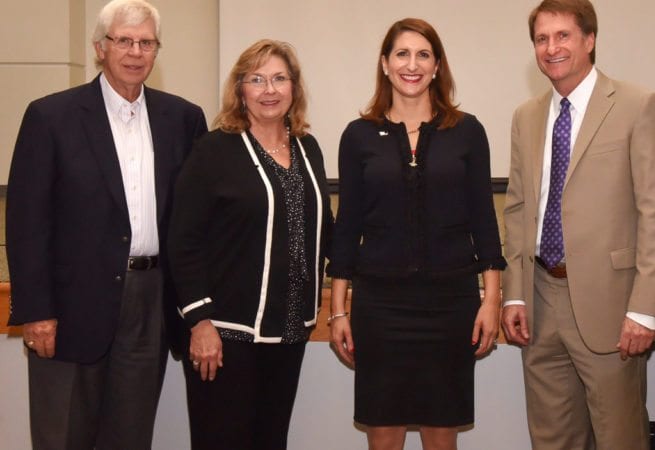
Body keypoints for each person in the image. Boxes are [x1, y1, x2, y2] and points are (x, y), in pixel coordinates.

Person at [5, 1, 207, 448]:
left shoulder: (184, 119)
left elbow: (194, 222)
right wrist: (37, 310)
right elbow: (26, 223)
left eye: (147, 42)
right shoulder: (50, 116)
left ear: (157, 51)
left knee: (129, 437)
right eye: (124, 41)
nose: (136, 52)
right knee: (64, 434)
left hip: (150, 300)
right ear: (100, 48)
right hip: (70, 306)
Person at [501, 1, 655, 448]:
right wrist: (514, 292)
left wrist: (645, 309)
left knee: (620, 437)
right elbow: (519, 208)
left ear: (589, 40)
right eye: (542, 39)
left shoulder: (639, 106)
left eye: (563, 36)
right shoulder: (527, 116)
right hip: (539, 301)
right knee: (553, 439)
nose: (551, 48)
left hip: (613, 305)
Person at [327, 17, 506, 450]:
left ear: (437, 65)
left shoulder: (467, 131)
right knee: (383, 437)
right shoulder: (358, 136)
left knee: (441, 439)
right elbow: (347, 228)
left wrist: (491, 300)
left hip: (451, 307)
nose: (412, 64)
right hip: (380, 308)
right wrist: (337, 311)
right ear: (385, 64)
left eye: (423, 54)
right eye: (402, 54)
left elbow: (484, 221)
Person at [168, 39, 333, 450]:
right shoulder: (214, 150)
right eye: (256, 80)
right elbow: (183, 241)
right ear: (240, 89)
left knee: (271, 440)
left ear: (294, 88)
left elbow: (323, 230)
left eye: (279, 78)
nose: (269, 90)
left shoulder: (307, 149)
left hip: (289, 332)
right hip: (225, 336)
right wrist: (200, 323)